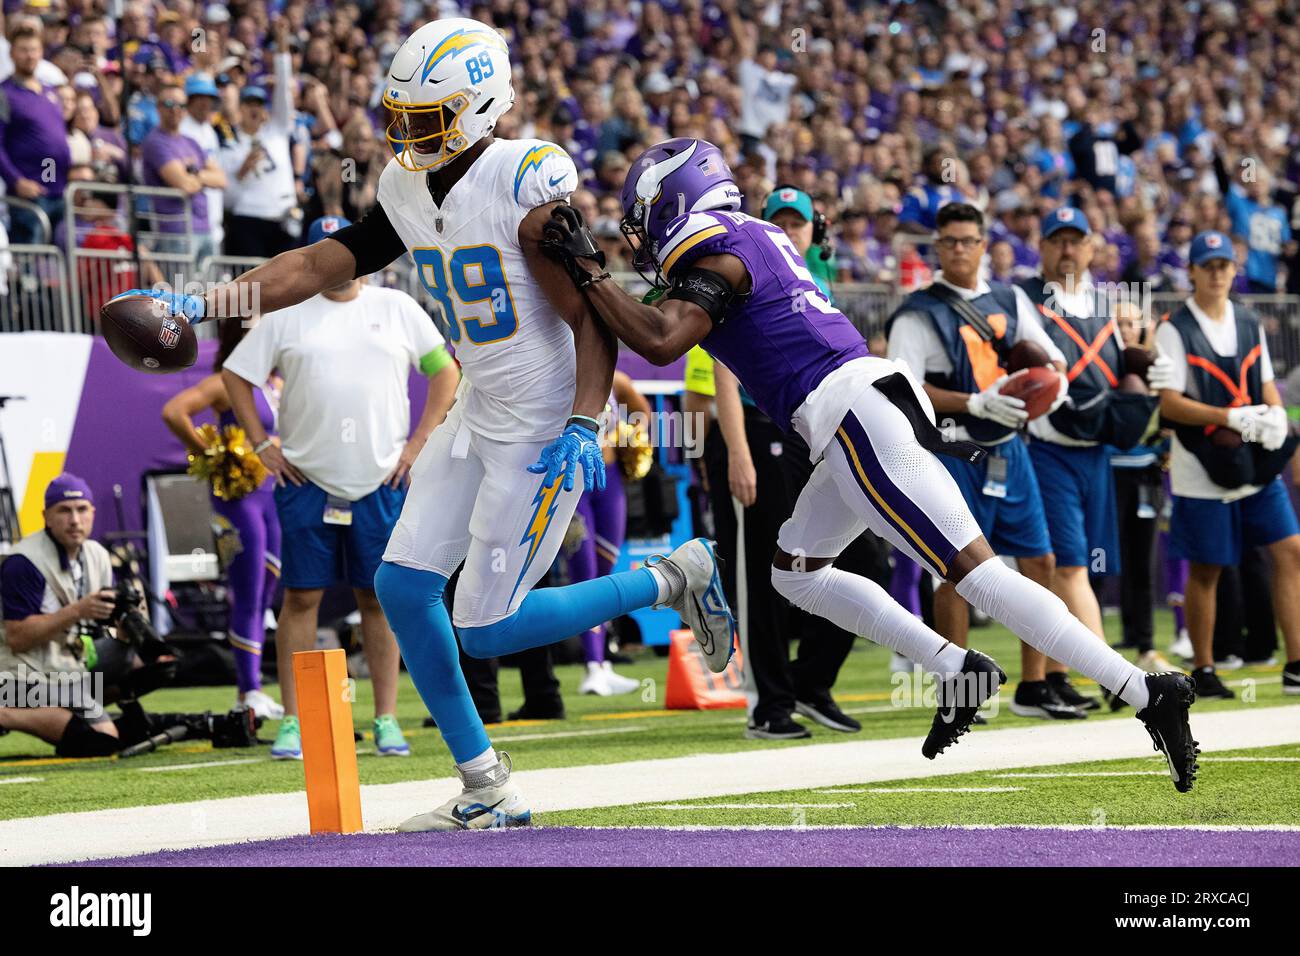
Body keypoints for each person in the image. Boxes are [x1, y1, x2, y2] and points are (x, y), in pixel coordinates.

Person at [117, 17, 734, 831]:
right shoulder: (407, 188)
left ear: (480, 108)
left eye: (425, 117)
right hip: (480, 404)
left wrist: (586, 422)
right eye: (399, 116)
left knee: (484, 630)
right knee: (402, 587)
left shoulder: (524, 184)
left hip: (542, 422)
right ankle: (486, 785)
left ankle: (672, 577)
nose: (406, 133)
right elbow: (311, 265)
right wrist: (204, 303)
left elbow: (590, 319)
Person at [538, 137, 1202, 795]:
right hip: (854, 413)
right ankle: (955, 668)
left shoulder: (719, 246)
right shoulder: (750, 235)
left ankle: (1145, 690)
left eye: (646, 211)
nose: (641, 231)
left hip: (853, 415)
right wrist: (594, 279)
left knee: (978, 574)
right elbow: (655, 325)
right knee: (795, 570)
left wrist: (590, 271)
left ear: (677, 200)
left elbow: (660, 341)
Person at [218, 215, 459, 759]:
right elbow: (236, 375)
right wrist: (261, 445)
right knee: (300, 596)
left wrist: (419, 442)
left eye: (343, 249)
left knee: (379, 599)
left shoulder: (397, 308)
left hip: (380, 475)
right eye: (325, 249)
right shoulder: (285, 315)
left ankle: (387, 719)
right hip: (306, 476)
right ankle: (294, 722)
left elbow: (445, 370)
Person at [886, 202, 1084, 721]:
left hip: (1008, 447)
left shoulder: (1009, 296)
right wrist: (971, 402)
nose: (958, 250)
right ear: (938, 248)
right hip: (953, 446)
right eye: (948, 241)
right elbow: (901, 387)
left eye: (967, 240)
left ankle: (1035, 685)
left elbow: (1051, 358)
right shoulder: (918, 308)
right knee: (955, 568)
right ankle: (959, 686)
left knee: (1039, 560)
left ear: (982, 245)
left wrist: (1050, 386)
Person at [1018, 207, 1168, 703]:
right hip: (1048, 448)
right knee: (1070, 566)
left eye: (1075, 240)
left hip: (1097, 450)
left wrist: (1145, 369)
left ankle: (1056, 677)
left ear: (1091, 248)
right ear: (1042, 247)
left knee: (1080, 567)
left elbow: (1125, 364)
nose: (1067, 249)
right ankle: (1116, 678)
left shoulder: (1107, 305)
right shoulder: (1026, 300)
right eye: (1057, 239)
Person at [1154, 230, 1300, 699]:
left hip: (1253, 460)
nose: (1217, 273)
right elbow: (1170, 405)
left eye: (1224, 265)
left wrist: (1275, 414)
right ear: (1192, 271)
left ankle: (1296, 661)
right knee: (1207, 567)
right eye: (1208, 265)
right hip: (1201, 463)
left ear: (1234, 271)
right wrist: (1228, 416)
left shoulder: (1248, 319)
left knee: (1289, 550)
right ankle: (1205, 666)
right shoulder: (1174, 327)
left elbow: (1267, 381)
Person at [0, 475, 176, 755]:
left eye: (81, 509)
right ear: (46, 516)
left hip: (67, 665)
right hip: (18, 675)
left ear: (93, 513)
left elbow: (95, 631)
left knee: (159, 665)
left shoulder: (97, 554)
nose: (74, 519)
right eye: (64, 510)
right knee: (100, 740)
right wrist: (77, 611)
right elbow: (18, 639)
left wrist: (126, 631)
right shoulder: (23, 562)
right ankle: (7, 712)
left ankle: (78, 706)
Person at [162, 319, 283, 719]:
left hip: (274, 497)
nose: (264, 332)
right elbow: (175, 411)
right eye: (253, 326)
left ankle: (255, 688)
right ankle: (248, 690)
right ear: (236, 334)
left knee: (267, 592)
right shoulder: (225, 382)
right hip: (239, 500)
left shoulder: (275, 382)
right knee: (247, 592)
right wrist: (212, 455)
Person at [565, 370, 647, 697]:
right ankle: (592, 664)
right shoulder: (557, 371)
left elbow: (641, 411)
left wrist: (631, 437)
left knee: (606, 569)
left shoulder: (616, 378)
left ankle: (603, 660)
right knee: (584, 574)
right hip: (572, 482)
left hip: (609, 479)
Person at [218, 19, 298, 258]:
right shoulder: (230, 144)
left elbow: (284, 89)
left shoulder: (277, 130)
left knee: (289, 288)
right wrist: (241, 172)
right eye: (249, 104)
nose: (255, 109)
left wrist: (282, 46)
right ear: (240, 109)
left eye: (259, 104)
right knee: (255, 290)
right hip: (248, 222)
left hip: (283, 220)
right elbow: (227, 201)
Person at [0, 20, 70, 244]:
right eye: (23, 50)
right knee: (31, 261)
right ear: (12, 53)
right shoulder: (5, 93)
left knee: (59, 263)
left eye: (34, 49)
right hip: (29, 192)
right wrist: (16, 180)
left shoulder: (50, 92)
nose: (29, 56)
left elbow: (52, 141)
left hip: (57, 190)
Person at [141, 82, 226, 262]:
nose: (176, 110)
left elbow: (221, 180)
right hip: (175, 231)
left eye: (181, 105)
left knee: (209, 290)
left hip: (204, 228)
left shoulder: (191, 142)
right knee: (180, 289)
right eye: (170, 104)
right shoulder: (155, 142)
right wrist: (199, 176)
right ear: (158, 108)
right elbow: (184, 184)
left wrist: (193, 173)